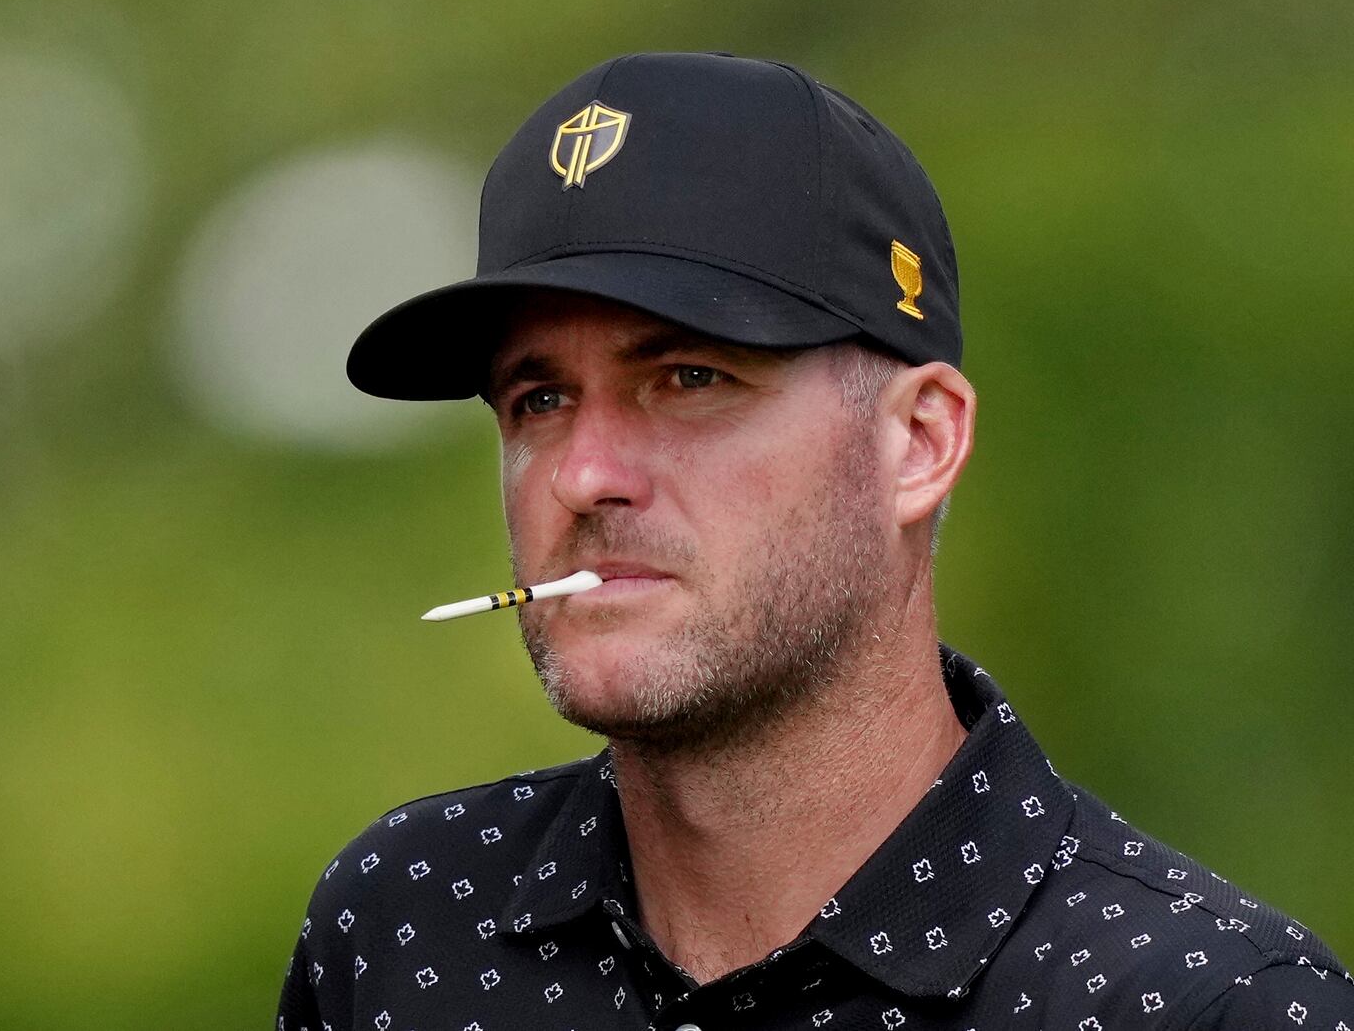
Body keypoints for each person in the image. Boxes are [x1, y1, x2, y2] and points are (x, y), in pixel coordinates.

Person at [276, 53, 1351, 1030]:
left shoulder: (1194, 1005)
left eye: (689, 379)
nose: (584, 474)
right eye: (539, 398)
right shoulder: (405, 926)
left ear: (918, 444)